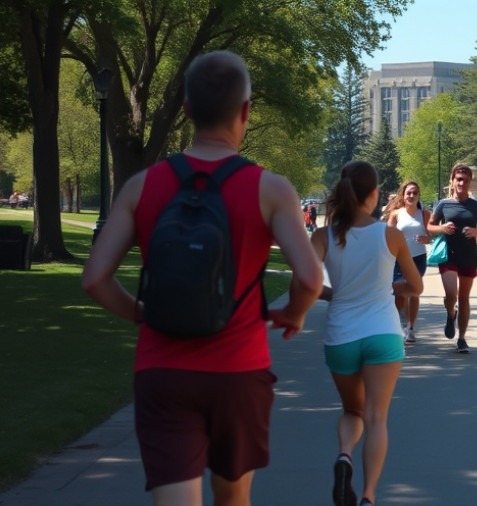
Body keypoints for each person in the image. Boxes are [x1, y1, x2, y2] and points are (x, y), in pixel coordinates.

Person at [81, 50, 324, 505]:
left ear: (188, 109)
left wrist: (140, 313)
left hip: (162, 370)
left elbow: (95, 278)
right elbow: (310, 278)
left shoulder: (142, 186)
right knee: (233, 498)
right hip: (239, 370)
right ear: (245, 111)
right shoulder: (271, 189)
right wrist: (294, 313)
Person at [309, 161, 422, 506]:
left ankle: (344, 454)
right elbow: (415, 287)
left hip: (341, 335)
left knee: (352, 412)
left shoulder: (323, 236)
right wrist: (390, 288)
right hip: (383, 334)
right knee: (376, 418)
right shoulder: (390, 235)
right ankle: (369, 495)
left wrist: (335, 294)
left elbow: (308, 284)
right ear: (374, 194)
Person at [427, 164, 477, 353]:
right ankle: (451, 313)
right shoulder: (444, 204)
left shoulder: (476, 206)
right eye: (459, 179)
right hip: (448, 254)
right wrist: (442, 228)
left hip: (468, 255)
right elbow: (430, 226)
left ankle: (462, 338)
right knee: (451, 295)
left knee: (464, 298)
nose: (462, 183)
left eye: (465, 180)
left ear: (470, 182)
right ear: (453, 181)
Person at [386, 181, 431, 344]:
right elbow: (388, 236)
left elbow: (431, 234)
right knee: (399, 294)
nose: (411, 196)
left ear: (419, 196)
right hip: (399, 260)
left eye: (415, 193)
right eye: (408, 193)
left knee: (413, 292)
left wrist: (428, 239)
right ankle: (396, 325)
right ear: (403, 196)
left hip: (418, 258)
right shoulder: (396, 214)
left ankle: (410, 328)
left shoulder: (425, 214)